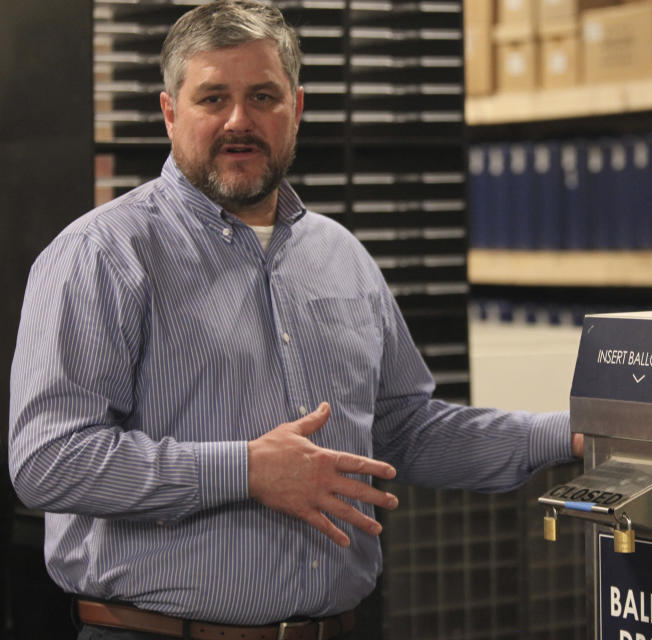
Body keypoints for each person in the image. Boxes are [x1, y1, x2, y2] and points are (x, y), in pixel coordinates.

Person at [7, 1, 583, 639]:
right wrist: (247, 470)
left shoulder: (341, 256)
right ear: (170, 113)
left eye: (262, 96)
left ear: (297, 108)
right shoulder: (102, 255)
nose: (239, 121)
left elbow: (406, 431)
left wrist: (575, 435)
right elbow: (48, 460)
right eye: (211, 99)